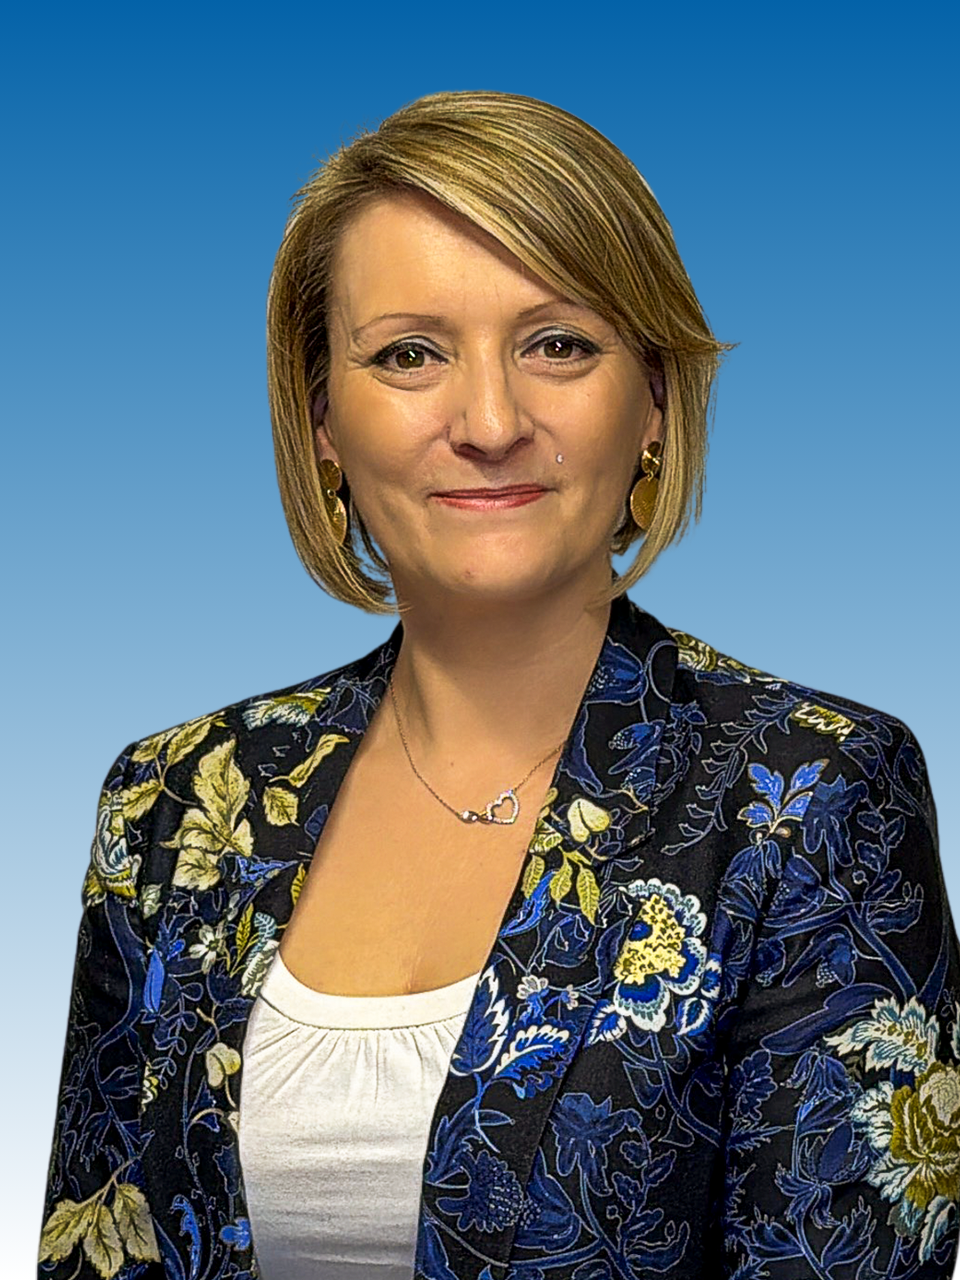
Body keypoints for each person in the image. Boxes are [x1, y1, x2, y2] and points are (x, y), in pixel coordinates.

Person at [39, 90, 960, 1280]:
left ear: (654, 401)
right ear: (322, 420)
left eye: (557, 343)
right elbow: (95, 1244)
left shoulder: (812, 794)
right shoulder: (174, 797)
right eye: (409, 354)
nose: (488, 421)